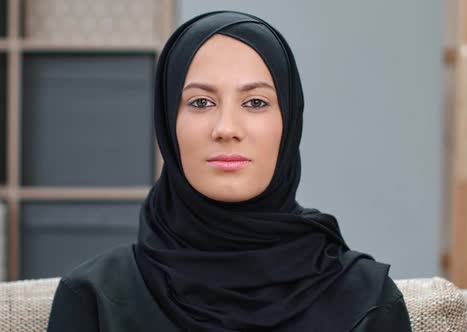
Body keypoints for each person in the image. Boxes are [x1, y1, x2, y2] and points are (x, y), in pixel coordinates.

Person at [46, 10, 412, 332]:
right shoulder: (94, 299)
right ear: (167, 123)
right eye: (201, 102)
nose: (226, 128)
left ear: (289, 122)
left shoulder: (368, 301)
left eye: (255, 102)